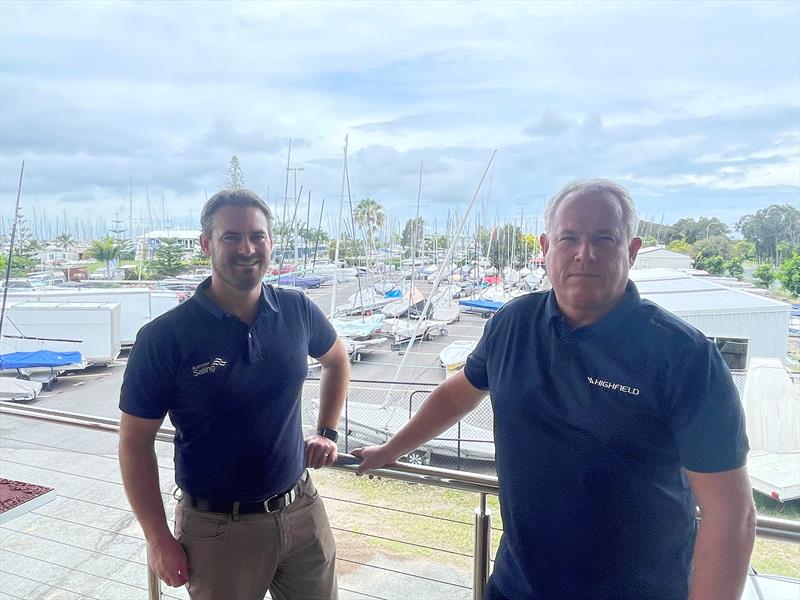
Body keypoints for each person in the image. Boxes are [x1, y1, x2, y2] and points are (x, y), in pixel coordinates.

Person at [353, 179, 755, 600]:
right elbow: (459, 393)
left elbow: (730, 515)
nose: (585, 253)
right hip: (516, 586)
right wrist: (390, 450)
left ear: (631, 251)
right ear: (546, 247)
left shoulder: (683, 356)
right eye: (569, 238)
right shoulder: (511, 324)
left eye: (605, 238)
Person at [119, 189, 349, 600]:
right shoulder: (165, 338)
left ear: (270, 243)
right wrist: (157, 538)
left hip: (303, 512)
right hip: (218, 531)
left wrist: (326, 433)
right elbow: (135, 444)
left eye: (257, 236)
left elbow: (337, 359)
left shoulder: (297, 310)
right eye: (231, 237)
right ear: (207, 243)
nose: (247, 248)